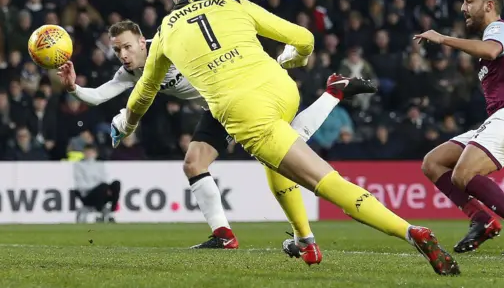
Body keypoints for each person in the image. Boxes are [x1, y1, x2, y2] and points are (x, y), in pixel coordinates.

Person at [111, 0, 459, 276]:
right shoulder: (234, 3)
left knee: (325, 182)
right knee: (277, 158)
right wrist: (295, 59)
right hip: (281, 88)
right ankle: (304, 241)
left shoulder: (165, 33)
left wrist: (127, 124)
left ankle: (411, 232)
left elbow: (143, 93)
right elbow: (303, 37)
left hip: (245, 111)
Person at [58, 20, 376, 260]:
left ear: (143, 41)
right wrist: (74, 88)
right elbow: (99, 95)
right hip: (218, 108)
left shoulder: (172, 46)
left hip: (247, 90)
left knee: (287, 144)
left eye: (127, 47)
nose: (123, 55)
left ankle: (334, 90)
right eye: (116, 50)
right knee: (194, 163)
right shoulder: (131, 73)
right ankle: (223, 235)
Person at [414, 0, 504, 255]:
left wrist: (443, 38)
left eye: (469, 0)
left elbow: (490, 49)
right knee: (433, 162)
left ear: (489, 5)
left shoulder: (500, 28)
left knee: (463, 174)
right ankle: (481, 219)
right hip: (501, 118)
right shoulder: (494, 34)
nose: (463, 7)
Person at [73, 144, 121, 222]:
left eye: (91, 152)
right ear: (84, 153)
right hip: (88, 195)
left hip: (102, 191)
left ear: (95, 153)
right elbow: (80, 184)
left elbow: (104, 179)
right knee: (103, 187)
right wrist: (98, 187)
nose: (89, 154)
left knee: (116, 183)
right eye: (87, 152)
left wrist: (104, 188)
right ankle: (99, 212)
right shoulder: (78, 165)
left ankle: (112, 211)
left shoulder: (100, 165)